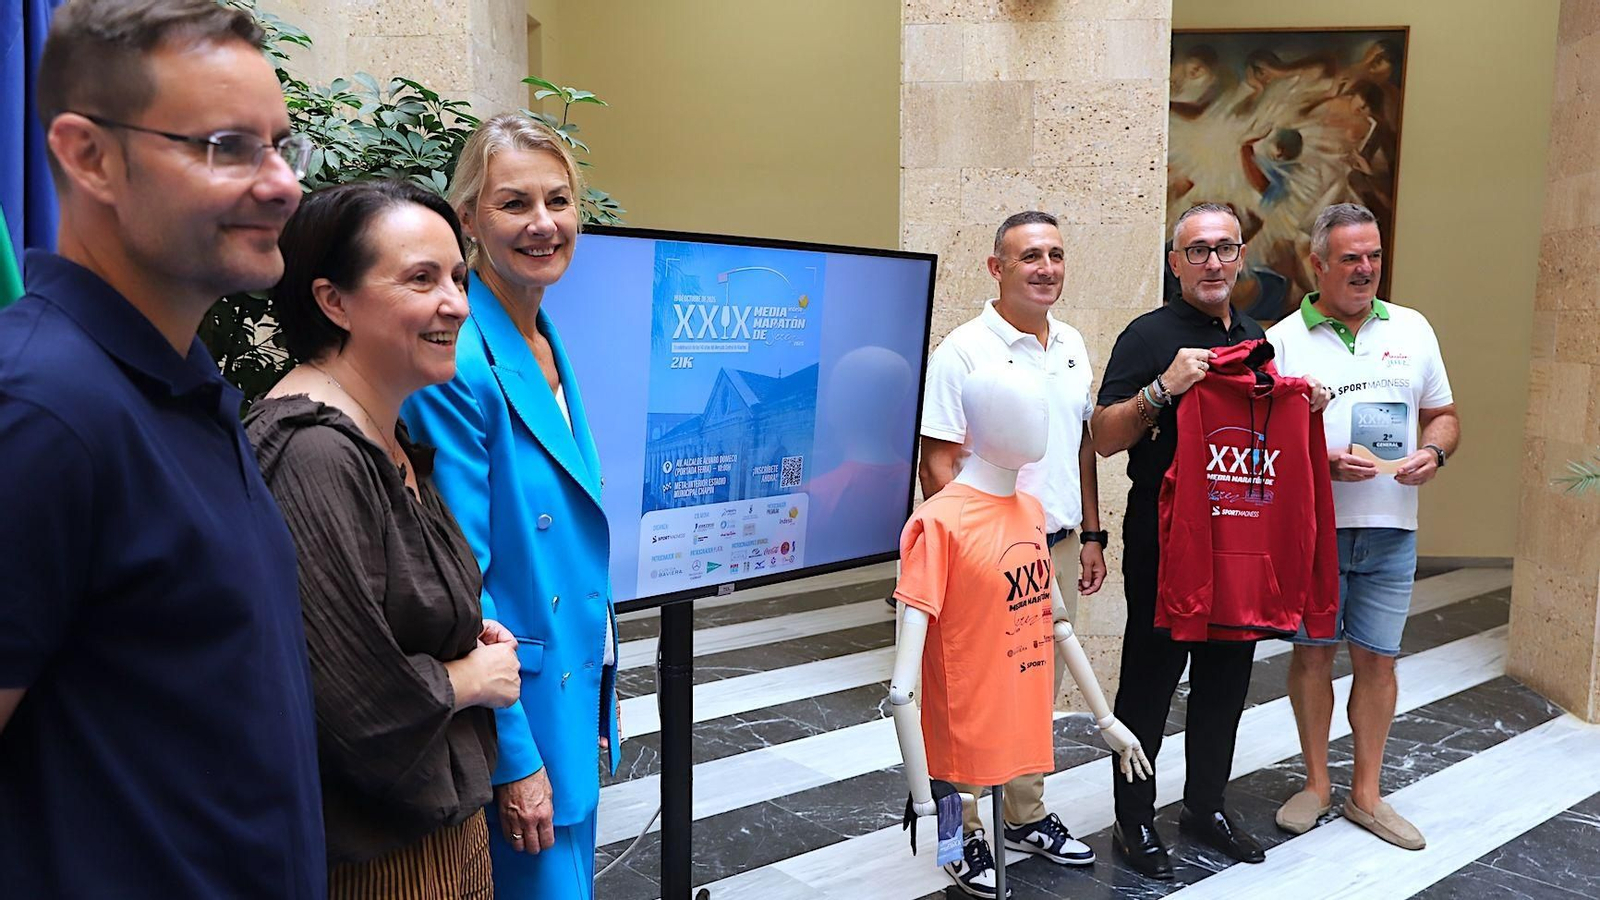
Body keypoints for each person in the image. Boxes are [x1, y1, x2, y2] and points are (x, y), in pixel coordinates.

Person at [0, 1, 323, 896]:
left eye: (280, 145)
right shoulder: (41, 410)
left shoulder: (180, 390)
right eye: (227, 146)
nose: (282, 185)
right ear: (87, 154)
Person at [245, 180, 522, 896]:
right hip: (377, 861)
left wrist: (464, 631)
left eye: (458, 278)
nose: (457, 303)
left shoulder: (383, 431)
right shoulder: (314, 453)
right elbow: (354, 708)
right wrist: (470, 680)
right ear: (333, 301)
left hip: (436, 832)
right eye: (421, 279)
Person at [402, 112, 619, 900]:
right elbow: (465, 578)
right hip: (515, 715)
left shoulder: (544, 336)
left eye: (558, 201)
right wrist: (515, 756)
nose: (542, 224)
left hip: (564, 687)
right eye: (513, 204)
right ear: (467, 220)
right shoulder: (462, 360)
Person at [1092, 202, 1333, 880]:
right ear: (1176, 264)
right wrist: (1163, 391)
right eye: (1197, 251)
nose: (1212, 262)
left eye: (1224, 249)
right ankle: (1132, 818)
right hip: (1165, 536)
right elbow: (1105, 437)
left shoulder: (1257, 335)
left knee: (1227, 678)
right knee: (1149, 679)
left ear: (1241, 259)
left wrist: (1302, 402)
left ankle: (1205, 805)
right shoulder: (1148, 335)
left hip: (1239, 530)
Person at [915, 210, 1108, 887]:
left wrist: (1089, 533)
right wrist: (969, 559)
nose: (1046, 268)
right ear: (996, 268)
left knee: (1033, 692)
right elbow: (938, 463)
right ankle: (962, 834)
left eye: (1056, 254)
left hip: (1049, 545)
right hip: (983, 558)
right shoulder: (962, 352)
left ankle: (1024, 815)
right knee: (968, 698)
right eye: (1030, 256)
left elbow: (1079, 447)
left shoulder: (1073, 343)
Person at [1267, 202, 1459, 850]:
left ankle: (1366, 794)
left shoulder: (1413, 329)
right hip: (1313, 535)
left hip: (1391, 530)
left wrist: (1434, 453)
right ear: (1317, 263)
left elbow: (1443, 414)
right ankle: (1317, 784)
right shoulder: (1283, 340)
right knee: (1312, 656)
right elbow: (1263, 442)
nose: (1366, 268)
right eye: (1351, 258)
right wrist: (1317, 462)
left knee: (1379, 661)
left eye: (1373, 256)